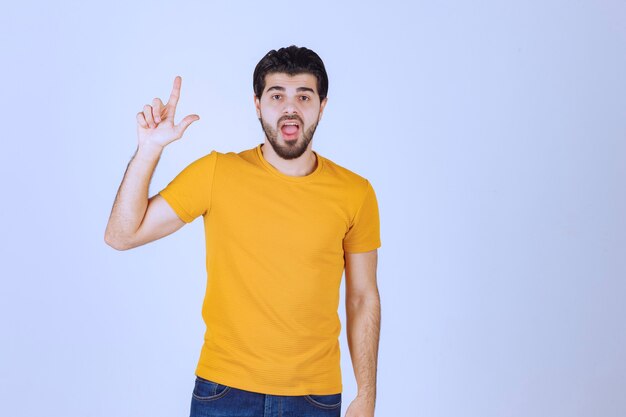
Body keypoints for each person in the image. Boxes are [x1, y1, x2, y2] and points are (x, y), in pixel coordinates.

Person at [105, 45, 381, 417]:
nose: (290, 107)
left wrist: (366, 395)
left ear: (322, 105)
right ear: (257, 104)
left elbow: (363, 297)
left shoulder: (355, 193)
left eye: (304, 95)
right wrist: (149, 150)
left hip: (315, 398)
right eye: (276, 95)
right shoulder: (216, 173)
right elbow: (122, 234)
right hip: (224, 393)